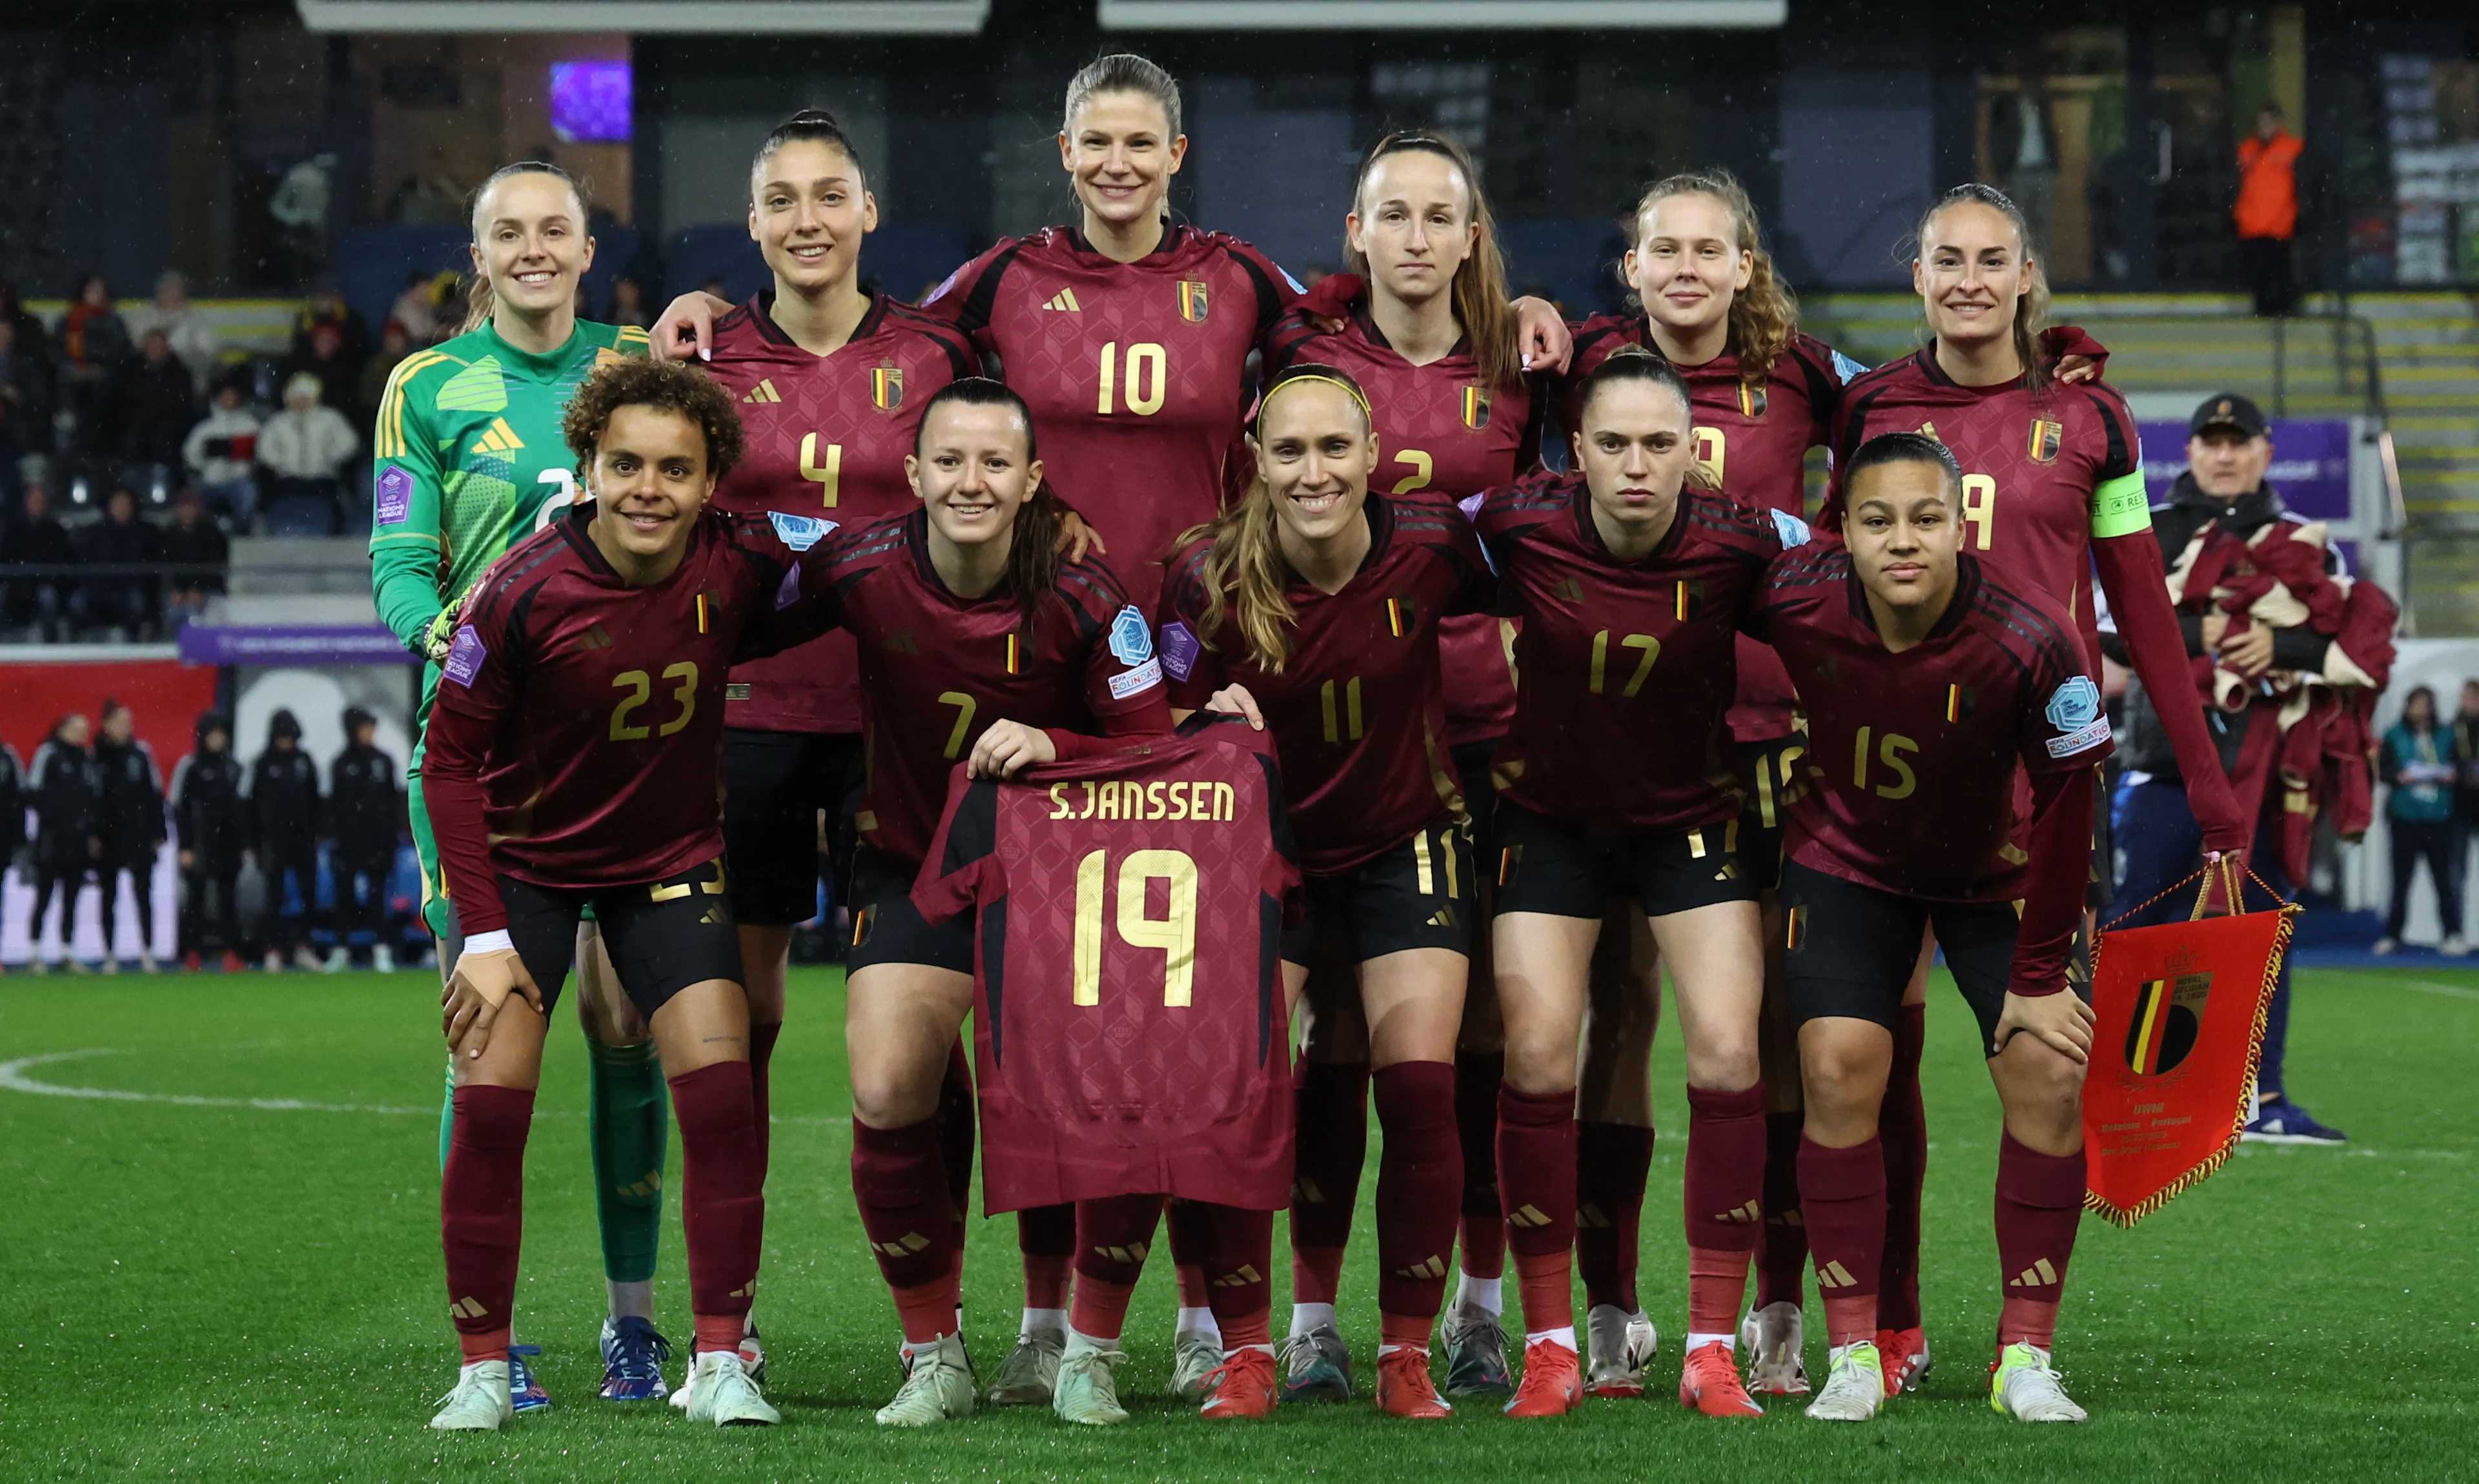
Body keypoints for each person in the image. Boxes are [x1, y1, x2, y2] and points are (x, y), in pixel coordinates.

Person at [1825, 183, 2250, 1395]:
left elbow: (2145, 611)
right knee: (1866, 1063)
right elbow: (1822, 569)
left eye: (1990, 259)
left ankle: (2027, 1353)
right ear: (1917, 276)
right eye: (1945, 259)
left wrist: (2211, 790)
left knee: (2047, 1065)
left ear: (2027, 277)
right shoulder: (1869, 407)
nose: (1967, 279)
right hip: (1878, 789)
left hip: (2034, 801)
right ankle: (1887, 1334)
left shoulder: (2095, 420)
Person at [418, 356, 831, 1432]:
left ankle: (721, 1359)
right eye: (627, 464)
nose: (650, 487)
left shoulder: (741, 557)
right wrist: (483, 933)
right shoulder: (517, 590)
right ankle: (482, 1367)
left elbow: (869, 557)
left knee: (721, 1096)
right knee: (492, 1100)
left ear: (710, 483)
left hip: (668, 866)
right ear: (588, 469)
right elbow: (449, 761)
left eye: (676, 469)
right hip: (526, 868)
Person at [788, 378, 1168, 1428]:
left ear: (1033, 480)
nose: (971, 480)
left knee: (1111, 1094)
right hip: (916, 873)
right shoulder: (856, 568)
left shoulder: (1093, 597)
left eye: (995, 462)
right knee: (889, 1085)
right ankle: (933, 1351)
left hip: (1064, 886)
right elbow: (719, 613)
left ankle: (1085, 1348)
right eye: (949, 460)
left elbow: (1156, 748)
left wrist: (1063, 745)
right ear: (912, 475)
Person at [677, 116, 985, 1390]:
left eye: (829, 196)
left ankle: (945, 1324)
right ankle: (726, 1325)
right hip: (742, 723)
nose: (806, 219)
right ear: (752, 225)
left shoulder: (937, 353)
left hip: (898, 734)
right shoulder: (701, 359)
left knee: (921, 1029)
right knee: (736, 1026)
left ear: (868, 213)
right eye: (780, 200)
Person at [365, 159, 669, 1409]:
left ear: (588, 249)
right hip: (484, 759)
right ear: (476, 255)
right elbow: (394, 565)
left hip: (632, 755)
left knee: (626, 1031)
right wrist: (447, 632)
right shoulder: (425, 387)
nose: (534, 248)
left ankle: (634, 1326)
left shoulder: (641, 362)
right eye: (510, 232)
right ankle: (485, 1343)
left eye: (556, 229)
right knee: (487, 1041)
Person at [1254, 129, 1540, 1405]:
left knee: (1480, 1035)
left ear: (1472, 239)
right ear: (1356, 232)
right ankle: (1311, 1318)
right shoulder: (1301, 363)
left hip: (1490, 744)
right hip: (1334, 746)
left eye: (1444, 216)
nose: (1418, 237)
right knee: (1338, 1045)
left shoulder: (1532, 366)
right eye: (1394, 214)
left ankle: (1479, 1308)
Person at [1469, 349, 1799, 1420]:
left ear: (1696, 452)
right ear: (1577, 451)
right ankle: (1554, 1344)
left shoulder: (1744, 542)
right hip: (1549, 826)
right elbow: (1386, 546)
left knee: (1732, 1047)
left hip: (1689, 827)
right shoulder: (1512, 522)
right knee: (1536, 1049)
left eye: (1662, 443)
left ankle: (1712, 1345)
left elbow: (1858, 581)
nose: (1638, 464)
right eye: (1614, 442)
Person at [1159, 364, 1493, 1421]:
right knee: (1241, 1087)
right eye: (1291, 450)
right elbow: (1146, 721)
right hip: (1265, 847)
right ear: (1256, 461)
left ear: (1373, 455)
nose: (1315, 471)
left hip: (1406, 836)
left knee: (1420, 1082)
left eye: (1335, 449)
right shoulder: (1203, 575)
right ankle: (1251, 1351)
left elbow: (1551, 580)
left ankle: (1404, 1355)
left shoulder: (1436, 542)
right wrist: (1201, 732)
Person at [1753, 431, 2107, 1426]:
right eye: (1877, 519)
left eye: (1924, 517)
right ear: (1844, 530)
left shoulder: (2035, 638)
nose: (1903, 538)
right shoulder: (1791, 590)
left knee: (2047, 1067)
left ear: (1963, 523)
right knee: (1835, 1069)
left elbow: (2073, 802)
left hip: (1995, 878)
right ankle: (1855, 1351)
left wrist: (2041, 972)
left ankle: (2026, 1354)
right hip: (1845, 865)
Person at [2103, 391, 2387, 1146]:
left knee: (2261, 931)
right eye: (2211, 441)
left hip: (2267, 769)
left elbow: (2352, 637)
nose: (2225, 454)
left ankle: (2259, 1100)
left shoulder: (2305, 538)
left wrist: (2279, 649)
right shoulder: (2150, 529)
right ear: (2190, 452)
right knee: (2140, 929)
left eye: (2239, 441)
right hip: (2165, 761)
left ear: (2266, 449)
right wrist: (2225, 629)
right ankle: (2123, 1091)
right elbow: (2113, 635)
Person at [2380, 687, 2463, 957]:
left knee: (2445, 880)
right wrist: (2400, 777)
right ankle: (2393, 935)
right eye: (2415, 705)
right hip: (2405, 817)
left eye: (2425, 705)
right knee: (2401, 881)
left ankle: (2452, 934)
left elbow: (2462, 769)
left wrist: (2453, 776)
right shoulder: (2394, 735)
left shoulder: (2448, 735)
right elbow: (2384, 772)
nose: (2420, 711)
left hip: (2439, 817)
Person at [92, 700, 167, 973]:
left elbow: (155, 794)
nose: (127, 728)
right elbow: (89, 800)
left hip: (138, 835)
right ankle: (110, 954)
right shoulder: (94, 756)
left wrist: (159, 831)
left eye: (129, 723)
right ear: (107, 725)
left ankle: (147, 951)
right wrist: (93, 833)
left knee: (143, 896)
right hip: (108, 837)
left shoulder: (141, 754)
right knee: (108, 897)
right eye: (121, 722)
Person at [246, 708, 323, 973]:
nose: (287, 742)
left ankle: (303, 947)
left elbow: (316, 801)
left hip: (302, 842)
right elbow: (252, 807)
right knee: (273, 899)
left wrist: (316, 835)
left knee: (308, 897)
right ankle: (274, 950)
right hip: (272, 843)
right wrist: (254, 843)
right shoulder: (262, 763)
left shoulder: (305, 761)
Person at [25, 713, 103, 973]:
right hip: (51, 841)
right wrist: (55, 820)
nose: (83, 734)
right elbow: (33, 791)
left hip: (78, 843)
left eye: (85, 730)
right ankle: (34, 952)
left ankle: (67, 951)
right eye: (78, 729)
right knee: (44, 896)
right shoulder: (48, 753)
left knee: (72, 899)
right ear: (64, 728)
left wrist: (89, 831)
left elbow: (93, 797)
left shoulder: (86, 758)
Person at [171, 710, 249, 972]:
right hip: (200, 844)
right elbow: (179, 808)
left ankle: (233, 953)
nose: (217, 740)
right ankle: (192, 953)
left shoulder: (234, 767)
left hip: (228, 846)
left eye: (221, 735)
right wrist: (185, 846)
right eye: (212, 735)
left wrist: (243, 844)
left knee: (228, 902)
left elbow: (242, 809)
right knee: (196, 901)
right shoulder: (190, 766)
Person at [327, 705, 403, 972]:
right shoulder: (341, 763)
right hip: (348, 846)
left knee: (378, 900)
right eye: (364, 728)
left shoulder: (384, 761)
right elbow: (335, 809)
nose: (369, 733)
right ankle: (340, 951)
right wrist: (337, 843)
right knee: (344, 900)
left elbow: (393, 804)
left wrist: (392, 841)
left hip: (378, 844)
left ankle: (382, 950)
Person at [256, 372, 358, 534]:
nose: (301, 401)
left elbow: (350, 443)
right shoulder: (278, 421)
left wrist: (330, 456)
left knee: (329, 511)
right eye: (297, 397)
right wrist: (280, 462)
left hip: (322, 479)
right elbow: (264, 447)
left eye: (305, 397)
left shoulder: (330, 418)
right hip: (288, 480)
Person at [2236, 104, 2303, 318]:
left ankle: (2284, 306)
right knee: (2259, 270)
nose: (2264, 127)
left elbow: (2302, 186)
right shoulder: (2247, 150)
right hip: (2253, 222)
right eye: (2260, 123)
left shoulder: (2293, 148)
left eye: (2268, 122)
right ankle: (2262, 306)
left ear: (2278, 124)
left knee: (2281, 268)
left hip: (2281, 222)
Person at [70, 487, 162, 639]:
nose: (122, 508)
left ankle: (135, 641)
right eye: (118, 504)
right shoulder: (93, 533)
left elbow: (147, 570)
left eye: (126, 504)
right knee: (78, 601)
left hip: (130, 588)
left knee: (137, 600)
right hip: (99, 589)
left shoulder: (145, 533)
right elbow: (85, 568)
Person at [59, 274, 131, 452]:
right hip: (73, 376)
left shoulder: (114, 322)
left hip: (105, 378)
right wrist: (74, 368)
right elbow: (58, 351)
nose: (96, 295)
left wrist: (97, 368)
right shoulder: (70, 320)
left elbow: (121, 353)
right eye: (91, 290)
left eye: (100, 291)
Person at [185, 378, 263, 530]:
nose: (230, 399)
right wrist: (207, 463)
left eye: (233, 396)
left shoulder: (250, 425)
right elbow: (190, 454)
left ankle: (241, 531)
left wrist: (237, 454)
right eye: (226, 395)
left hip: (239, 480)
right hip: (210, 482)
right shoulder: (205, 428)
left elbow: (259, 454)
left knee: (249, 494)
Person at [2, 482, 74, 640]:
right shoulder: (14, 529)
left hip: (46, 584)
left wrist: (44, 578)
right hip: (17, 584)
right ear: (26, 501)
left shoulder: (57, 531)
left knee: (48, 597)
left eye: (41, 500)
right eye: (34, 499)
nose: (37, 504)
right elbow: (6, 559)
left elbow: (63, 562)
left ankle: (51, 645)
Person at [160, 485, 229, 629]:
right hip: (177, 593)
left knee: (212, 613)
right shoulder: (168, 536)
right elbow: (164, 567)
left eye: (191, 506)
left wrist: (199, 589)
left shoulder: (213, 535)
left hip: (208, 590)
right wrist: (175, 589)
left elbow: (215, 567)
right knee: (171, 611)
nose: (187, 510)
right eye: (183, 506)